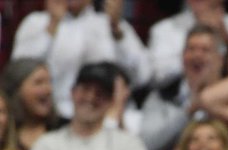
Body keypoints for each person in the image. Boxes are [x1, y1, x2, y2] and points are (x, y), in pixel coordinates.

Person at [11, 0, 150, 118]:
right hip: (52, 117)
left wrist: (116, 31)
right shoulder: (36, 22)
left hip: (104, 117)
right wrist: (52, 26)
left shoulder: (111, 25)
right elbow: (18, 75)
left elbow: (143, 76)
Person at [147, 0, 228, 86]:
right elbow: (157, 76)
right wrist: (193, 57)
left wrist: (227, 41)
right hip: (179, 104)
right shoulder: (163, 30)